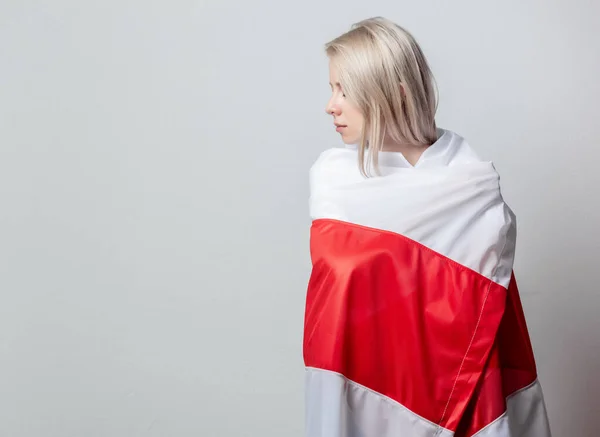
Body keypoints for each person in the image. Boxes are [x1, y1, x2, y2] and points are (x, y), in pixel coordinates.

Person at [303, 17, 552, 437]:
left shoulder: (471, 189)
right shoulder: (333, 181)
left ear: (393, 93)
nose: (331, 105)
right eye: (332, 89)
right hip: (356, 394)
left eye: (344, 90)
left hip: (464, 397)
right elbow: (334, 311)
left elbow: (486, 324)